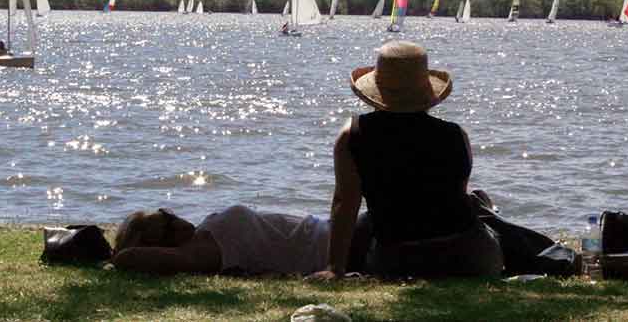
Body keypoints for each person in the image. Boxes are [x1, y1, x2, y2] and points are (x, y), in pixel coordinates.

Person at [311, 41, 503, 280]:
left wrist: (335, 267)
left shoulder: (353, 134)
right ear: (425, 91)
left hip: (399, 259)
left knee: (367, 221)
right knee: (479, 201)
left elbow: (345, 202)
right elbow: (453, 195)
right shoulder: (456, 134)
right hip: (471, 258)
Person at [111, 205, 369, 276]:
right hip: (342, 246)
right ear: (166, 241)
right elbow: (127, 258)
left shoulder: (205, 233)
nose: (173, 216)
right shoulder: (203, 252)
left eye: (167, 212)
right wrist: (115, 256)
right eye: (166, 219)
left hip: (337, 231)